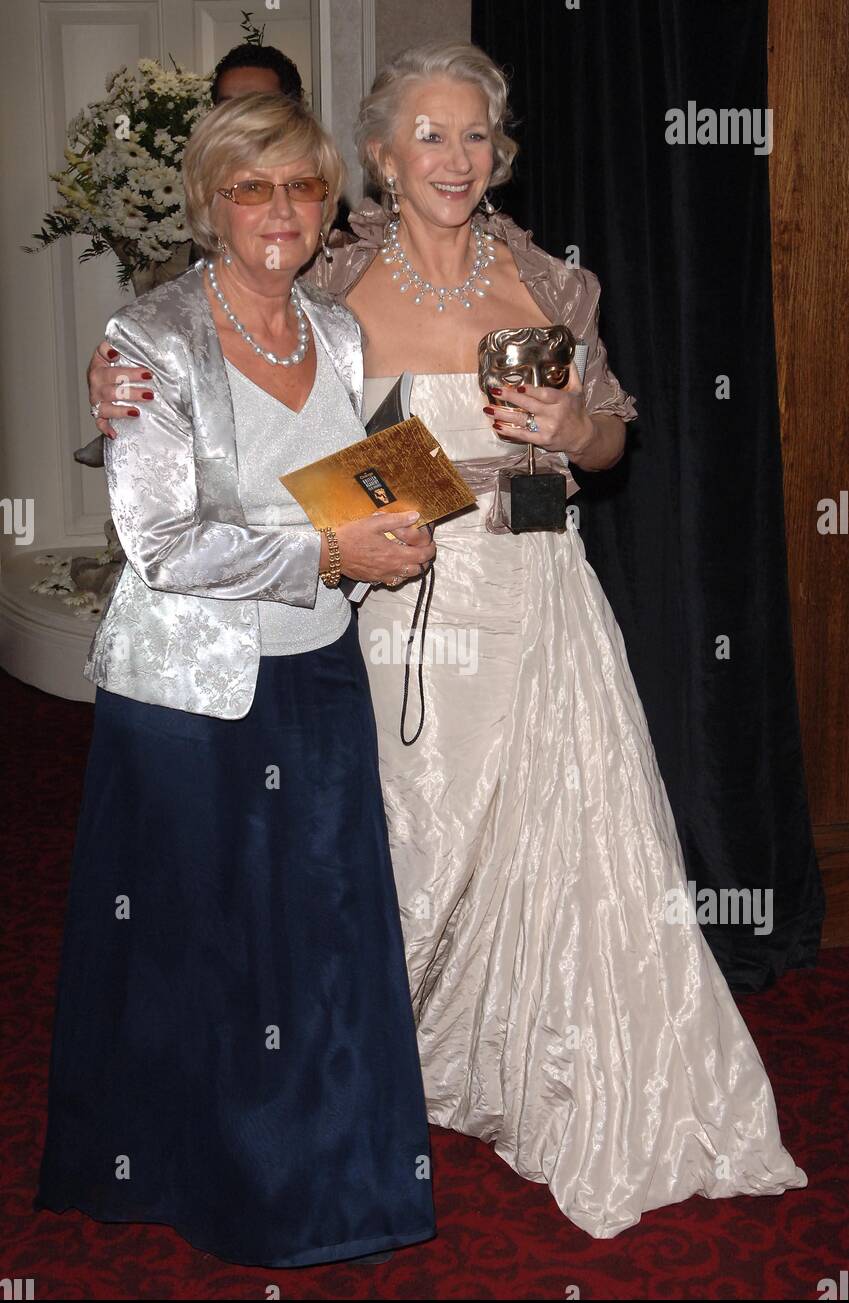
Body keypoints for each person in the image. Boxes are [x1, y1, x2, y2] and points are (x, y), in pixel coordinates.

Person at [84, 43, 808, 1240]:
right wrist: (112, 386)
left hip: (542, 596)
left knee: (582, 857)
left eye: (476, 137)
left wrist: (580, 426)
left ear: (498, 151)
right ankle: (372, 1080)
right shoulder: (333, 276)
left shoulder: (551, 284)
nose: (456, 160)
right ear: (378, 156)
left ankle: (572, 1075)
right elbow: (222, 359)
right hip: (392, 608)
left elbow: (613, 447)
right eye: (429, 135)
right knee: (403, 864)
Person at [34, 91, 437, 1268]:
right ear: (213, 202)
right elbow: (162, 545)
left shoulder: (341, 334)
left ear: (328, 206)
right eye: (253, 187)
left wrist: (389, 540)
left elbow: (349, 495)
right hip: (188, 698)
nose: (281, 210)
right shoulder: (147, 339)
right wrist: (326, 551)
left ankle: (328, 1179)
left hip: (315, 673)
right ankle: (190, 1172)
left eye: (304, 187)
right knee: (195, 942)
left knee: (320, 933)